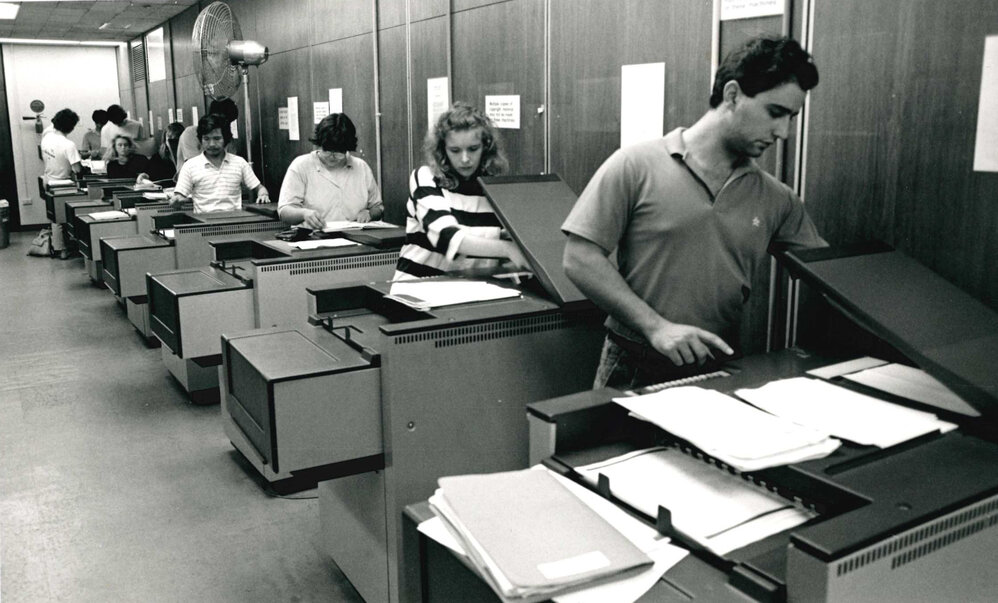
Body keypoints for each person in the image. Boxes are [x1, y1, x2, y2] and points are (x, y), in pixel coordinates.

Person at [562, 36, 827, 390]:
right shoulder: (635, 165)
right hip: (633, 361)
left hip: (718, 363)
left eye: (791, 118)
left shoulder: (777, 198)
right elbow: (579, 258)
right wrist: (656, 327)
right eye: (775, 113)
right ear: (732, 95)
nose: (783, 132)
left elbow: (828, 271)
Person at [393, 102, 527, 280]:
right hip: (418, 291)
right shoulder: (425, 178)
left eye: (473, 149)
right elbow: (447, 238)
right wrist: (507, 249)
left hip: (471, 291)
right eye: (455, 150)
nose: (465, 159)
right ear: (442, 150)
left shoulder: (494, 189)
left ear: (485, 148)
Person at [278, 113, 383, 229]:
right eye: (327, 151)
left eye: (338, 153)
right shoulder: (301, 166)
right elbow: (284, 211)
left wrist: (369, 213)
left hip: (355, 237)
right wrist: (304, 214)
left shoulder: (361, 167)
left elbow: (378, 207)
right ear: (318, 145)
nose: (332, 157)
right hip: (312, 238)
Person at [170, 114, 269, 213]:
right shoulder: (190, 166)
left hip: (235, 222)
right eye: (206, 139)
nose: (212, 144)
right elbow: (179, 196)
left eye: (217, 139)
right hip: (204, 225)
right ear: (200, 140)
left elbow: (259, 188)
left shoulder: (239, 163)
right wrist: (177, 201)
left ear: (226, 139)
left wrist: (263, 194)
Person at [40, 108, 82, 260]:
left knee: (55, 219)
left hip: (48, 180)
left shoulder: (46, 138)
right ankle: (64, 249)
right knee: (65, 218)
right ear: (71, 127)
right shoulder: (68, 144)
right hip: (63, 185)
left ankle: (59, 247)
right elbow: (77, 169)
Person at [175, 99, 238, 176]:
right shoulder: (190, 133)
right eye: (222, 120)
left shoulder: (228, 139)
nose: (225, 125)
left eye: (229, 122)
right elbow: (196, 167)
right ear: (211, 116)